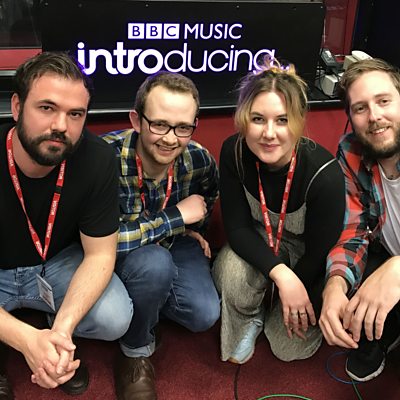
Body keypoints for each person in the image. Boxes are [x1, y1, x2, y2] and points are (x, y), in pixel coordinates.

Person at [0, 51, 133, 399]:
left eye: (75, 114)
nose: (61, 125)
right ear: (17, 107)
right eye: (47, 108)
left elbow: (100, 255)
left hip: (55, 262)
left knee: (115, 317)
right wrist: (25, 340)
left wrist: (62, 332)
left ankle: (51, 332)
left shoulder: (97, 158)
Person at [212, 59, 345, 364]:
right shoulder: (234, 151)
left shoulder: (324, 175)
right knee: (227, 272)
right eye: (258, 119)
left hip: (308, 256)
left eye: (282, 120)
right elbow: (238, 228)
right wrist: (282, 276)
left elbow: (319, 253)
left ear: (298, 121)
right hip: (260, 238)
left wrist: (296, 287)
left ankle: (272, 309)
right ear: (243, 119)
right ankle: (251, 314)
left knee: (287, 348)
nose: (269, 133)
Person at [102, 71, 220, 400]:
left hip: (175, 242)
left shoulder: (199, 159)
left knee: (204, 314)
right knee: (154, 263)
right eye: (159, 125)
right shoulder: (105, 157)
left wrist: (192, 228)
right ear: (136, 120)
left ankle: (146, 303)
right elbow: (102, 240)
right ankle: (135, 350)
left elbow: (208, 198)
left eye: (182, 127)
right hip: (121, 253)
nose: (170, 138)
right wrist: (174, 218)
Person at [319, 58, 400, 382]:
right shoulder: (351, 150)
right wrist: (335, 285)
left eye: (384, 101)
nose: (374, 116)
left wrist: (398, 268)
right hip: (389, 253)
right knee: (341, 283)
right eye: (360, 108)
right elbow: (354, 229)